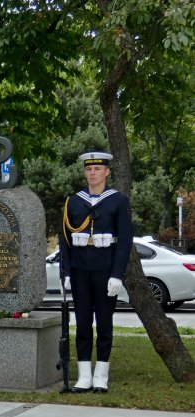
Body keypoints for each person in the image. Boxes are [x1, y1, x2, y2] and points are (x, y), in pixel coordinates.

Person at [59, 150, 132, 393]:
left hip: (105, 271)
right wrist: (65, 272)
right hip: (80, 270)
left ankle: (101, 375)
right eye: (89, 169)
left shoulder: (118, 201)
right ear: (85, 173)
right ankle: (84, 376)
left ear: (107, 172)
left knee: (104, 324)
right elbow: (66, 240)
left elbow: (124, 242)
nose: (93, 173)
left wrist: (117, 274)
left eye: (98, 169)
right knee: (81, 324)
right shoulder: (74, 201)